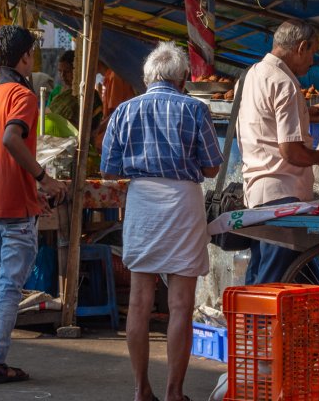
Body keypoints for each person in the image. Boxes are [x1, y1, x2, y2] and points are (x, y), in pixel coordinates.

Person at [100, 41, 223, 401]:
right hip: (183, 204)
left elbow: (109, 171)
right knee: (181, 305)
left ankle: (141, 390)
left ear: (147, 76)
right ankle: (174, 392)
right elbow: (212, 166)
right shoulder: (195, 110)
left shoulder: (124, 111)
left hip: (143, 206)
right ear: (183, 79)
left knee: (139, 300)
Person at [0, 25, 68, 385]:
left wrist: (29, 182)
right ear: (25, 57)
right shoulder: (22, 96)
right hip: (14, 206)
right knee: (9, 284)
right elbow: (11, 139)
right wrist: (44, 179)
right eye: (32, 54)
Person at [237, 19, 319, 285]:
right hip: (282, 198)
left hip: (256, 194)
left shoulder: (249, 76)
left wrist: (308, 115)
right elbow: (292, 152)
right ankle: (257, 327)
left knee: (260, 276)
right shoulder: (285, 83)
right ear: (301, 47)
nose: (312, 62)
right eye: (312, 53)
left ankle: (248, 327)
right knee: (271, 283)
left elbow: (267, 124)